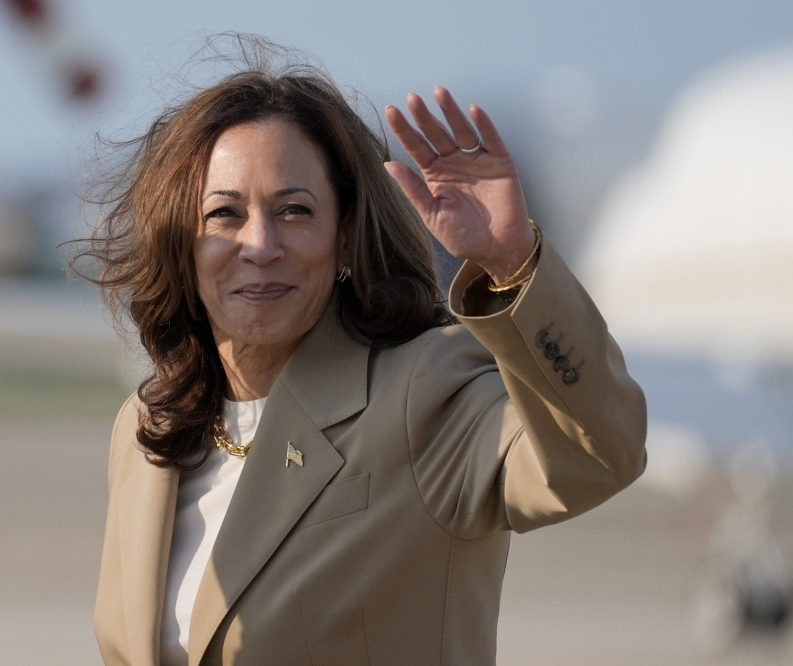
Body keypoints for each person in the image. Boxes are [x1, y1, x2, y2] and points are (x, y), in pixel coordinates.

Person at [81, 37, 647, 666]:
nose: (261, 244)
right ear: (180, 242)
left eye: (295, 211)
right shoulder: (146, 432)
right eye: (224, 214)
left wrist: (514, 266)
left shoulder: (422, 390)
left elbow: (598, 456)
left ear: (345, 236)